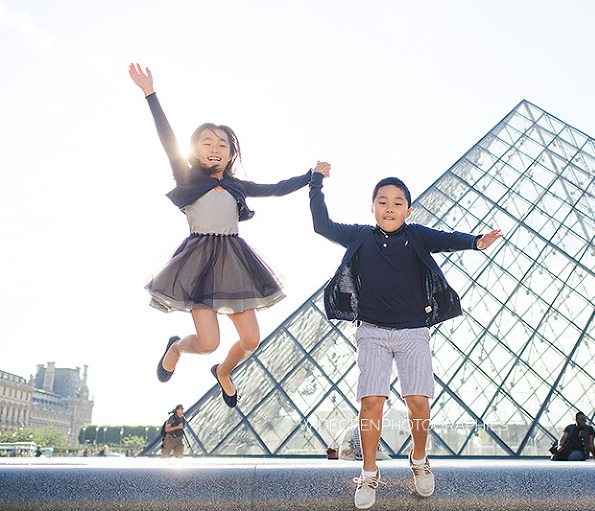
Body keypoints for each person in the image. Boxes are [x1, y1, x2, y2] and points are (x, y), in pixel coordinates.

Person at [129, 63, 326, 406]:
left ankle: (223, 371)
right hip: (198, 265)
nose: (214, 147)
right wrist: (150, 93)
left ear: (232, 153)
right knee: (207, 343)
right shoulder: (188, 179)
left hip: (235, 264)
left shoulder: (236, 186)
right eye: (206, 142)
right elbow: (167, 140)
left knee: (251, 340)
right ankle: (177, 347)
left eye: (222, 143)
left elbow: (277, 188)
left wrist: (311, 176)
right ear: (195, 152)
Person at [309, 169, 502, 509]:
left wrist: (476, 241)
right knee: (371, 403)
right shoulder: (360, 236)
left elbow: (447, 238)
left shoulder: (418, 236)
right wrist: (315, 184)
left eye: (398, 203)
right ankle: (368, 473)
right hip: (371, 331)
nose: (389, 207)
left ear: (408, 211)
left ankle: (419, 459)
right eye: (382, 201)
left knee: (419, 402)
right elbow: (321, 226)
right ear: (372, 208)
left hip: (414, 331)